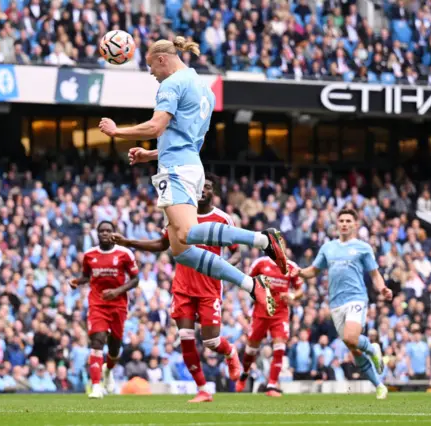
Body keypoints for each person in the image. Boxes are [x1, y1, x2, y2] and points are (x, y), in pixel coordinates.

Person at [98, 36, 287, 317]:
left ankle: (262, 240)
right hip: (186, 164)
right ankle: (251, 284)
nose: (151, 73)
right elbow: (188, 140)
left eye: (151, 66)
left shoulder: (172, 84)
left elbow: (155, 126)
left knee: (186, 233)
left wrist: (117, 132)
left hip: (177, 169)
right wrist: (150, 155)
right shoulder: (205, 90)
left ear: (163, 59)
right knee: (182, 251)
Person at [112, 172, 242, 403]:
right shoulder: (179, 216)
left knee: (211, 341)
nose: (202, 190)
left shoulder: (223, 219)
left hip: (209, 288)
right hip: (182, 286)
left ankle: (230, 352)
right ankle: (202, 389)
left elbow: (237, 253)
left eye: (207, 187)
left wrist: (222, 266)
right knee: (185, 337)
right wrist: (129, 242)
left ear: (214, 192)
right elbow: (162, 244)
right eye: (199, 186)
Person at [289, 208, 393, 400]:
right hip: (335, 303)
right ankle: (379, 385)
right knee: (352, 347)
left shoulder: (363, 247)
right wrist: (300, 272)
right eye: (341, 220)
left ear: (355, 224)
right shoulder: (328, 248)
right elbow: (314, 270)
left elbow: (374, 274)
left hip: (356, 298)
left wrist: (383, 289)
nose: (344, 223)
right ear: (337, 224)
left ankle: (372, 348)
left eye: (348, 221)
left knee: (351, 337)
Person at [70, 221, 139, 399]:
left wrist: (117, 291)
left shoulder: (125, 253)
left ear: (114, 233)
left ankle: (108, 371)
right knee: (97, 341)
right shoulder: (89, 255)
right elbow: (87, 276)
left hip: (118, 305)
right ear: (97, 234)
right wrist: (77, 281)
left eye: (108, 231)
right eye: (102, 231)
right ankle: (96, 386)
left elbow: (135, 279)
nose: (105, 234)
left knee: (114, 347)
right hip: (97, 303)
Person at [236, 255, 304, 397]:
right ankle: (244, 373)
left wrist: (291, 295)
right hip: (260, 313)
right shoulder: (260, 263)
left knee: (279, 347)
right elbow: (246, 281)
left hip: (280, 314)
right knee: (251, 349)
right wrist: (249, 300)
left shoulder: (291, 266)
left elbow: (300, 290)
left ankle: (271, 385)